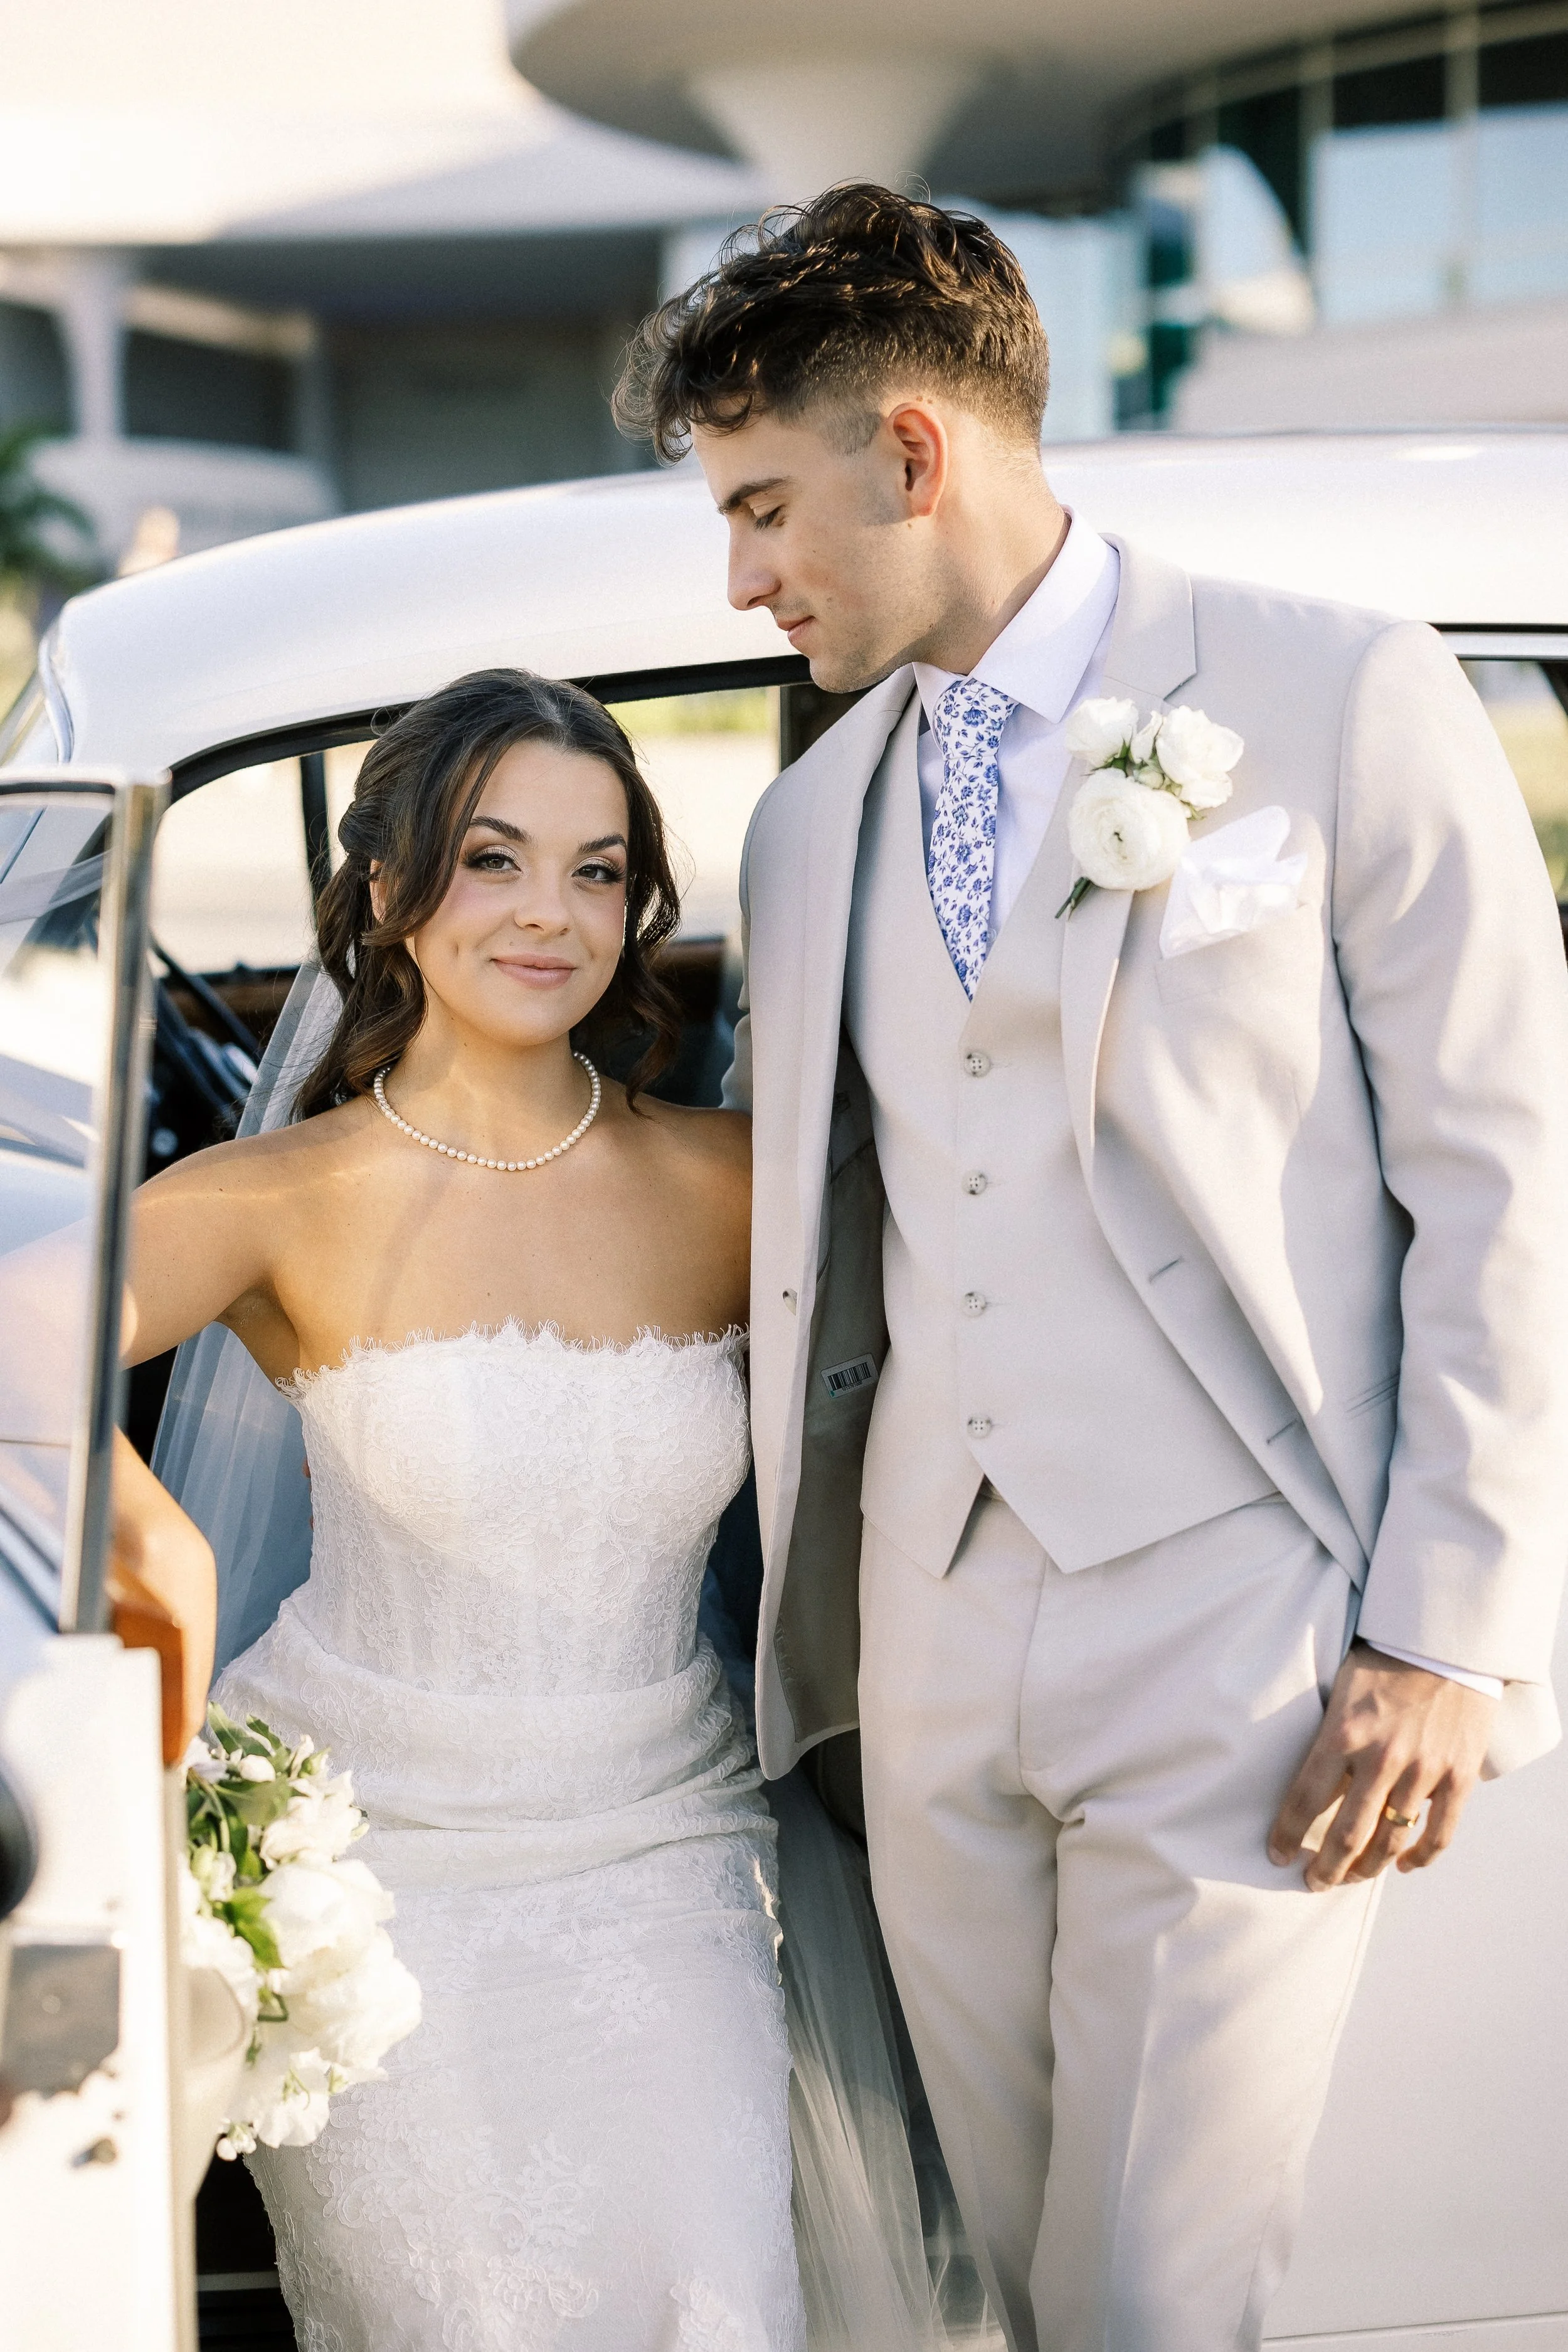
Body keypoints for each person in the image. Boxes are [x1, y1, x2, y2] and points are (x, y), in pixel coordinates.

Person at [614, 186, 1568, 2352]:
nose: (744, 575)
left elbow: (1509, 1179)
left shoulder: (1331, 694)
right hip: (927, 1644)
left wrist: (1446, 1631)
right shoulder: (804, 820)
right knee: (1018, 2292)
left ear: (917, 450)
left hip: (1244, 1628)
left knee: (1152, 2292)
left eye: (765, 509)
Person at [120, 670, 806, 2349]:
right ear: (387, 892)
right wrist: (159, 1558)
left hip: (670, 1867)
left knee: (710, 2302)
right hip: (378, 1892)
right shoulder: (280, 1196)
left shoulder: (731, 1178)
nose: (547, 914)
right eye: (492, 859)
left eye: (593, 868)